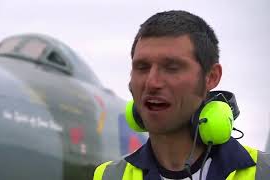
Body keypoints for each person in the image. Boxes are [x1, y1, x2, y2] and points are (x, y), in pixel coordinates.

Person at [93, 10, 270, 180]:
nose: (152, 83)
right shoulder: (108, 176)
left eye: (172, 68)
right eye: (142, 67)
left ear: (212, 77)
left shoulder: (264, 172)